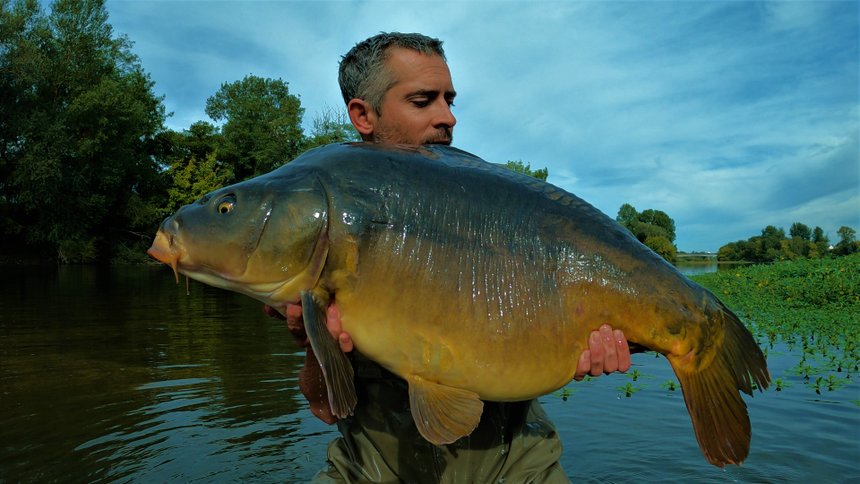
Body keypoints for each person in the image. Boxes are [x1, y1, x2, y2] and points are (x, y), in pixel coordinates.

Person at [276, 32, 631, 483]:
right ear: (363, 115)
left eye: (449, 100)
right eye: (424, 101)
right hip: (371, 471)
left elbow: (550, 337)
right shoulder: (328, 229)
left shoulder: (495, 208)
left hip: (517, 467)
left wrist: (581, 341)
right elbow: (324, 406)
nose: (447, 118)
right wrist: (315, 344)